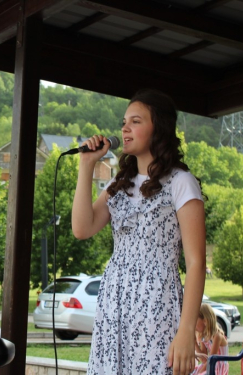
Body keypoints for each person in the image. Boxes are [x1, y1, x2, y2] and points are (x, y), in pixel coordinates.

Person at [72, 89, 206, 375]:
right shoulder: (120, 184)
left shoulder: (181, 182)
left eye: (135, 121)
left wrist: (185, 331)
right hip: (113, 302)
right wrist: (87, 166)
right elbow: (82, 229)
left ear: (158, 128)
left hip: (157, 305)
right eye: (124, 121)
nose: (124, 128)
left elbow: (196, 263)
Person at [191, 303, 228, 375]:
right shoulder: (204, 337)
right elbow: (204, 359)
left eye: (195, 321)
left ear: (205, 321)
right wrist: (194, 342)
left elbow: (212, 359)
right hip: (209, 365)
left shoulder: (217, 336)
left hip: (218, 366)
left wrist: (200, 371)